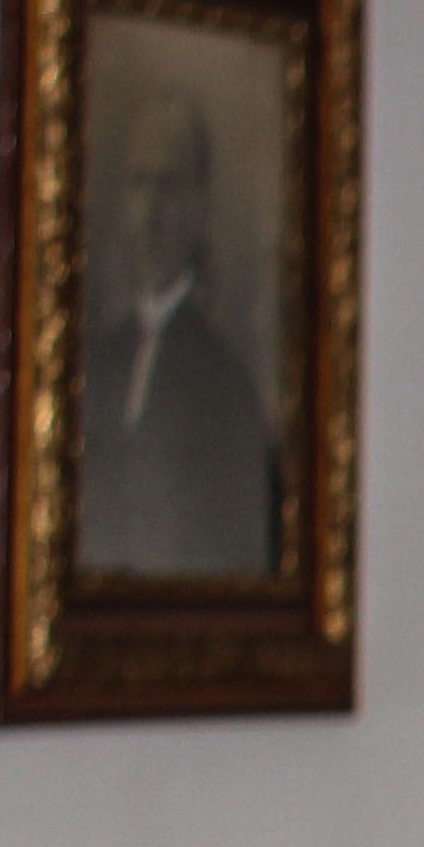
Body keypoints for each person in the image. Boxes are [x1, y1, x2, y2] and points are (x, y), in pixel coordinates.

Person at [78, 76, 279, 577]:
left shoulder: (226, 387)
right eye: (138, 184)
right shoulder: (96, 367)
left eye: (167, 187)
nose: (150, 214)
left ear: (200, 207)